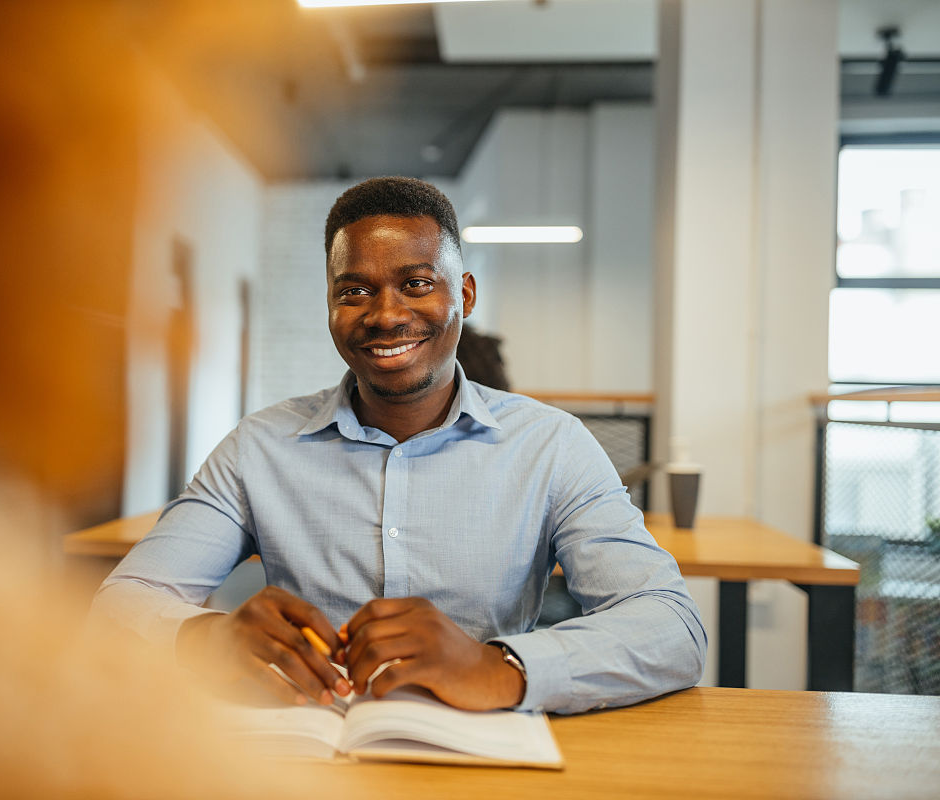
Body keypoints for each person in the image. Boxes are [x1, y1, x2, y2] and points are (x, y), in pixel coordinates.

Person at [96, 176, 706, 715]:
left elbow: (671, 626)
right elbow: (121, 605)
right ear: (331, 304)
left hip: (480, 755)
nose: (385, 315)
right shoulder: (259, 448)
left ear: (464, 295)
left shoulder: (551, 445)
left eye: (416, 284)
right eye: (355, 291)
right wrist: (205, 637)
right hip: (303, 757)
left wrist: (500, 668)